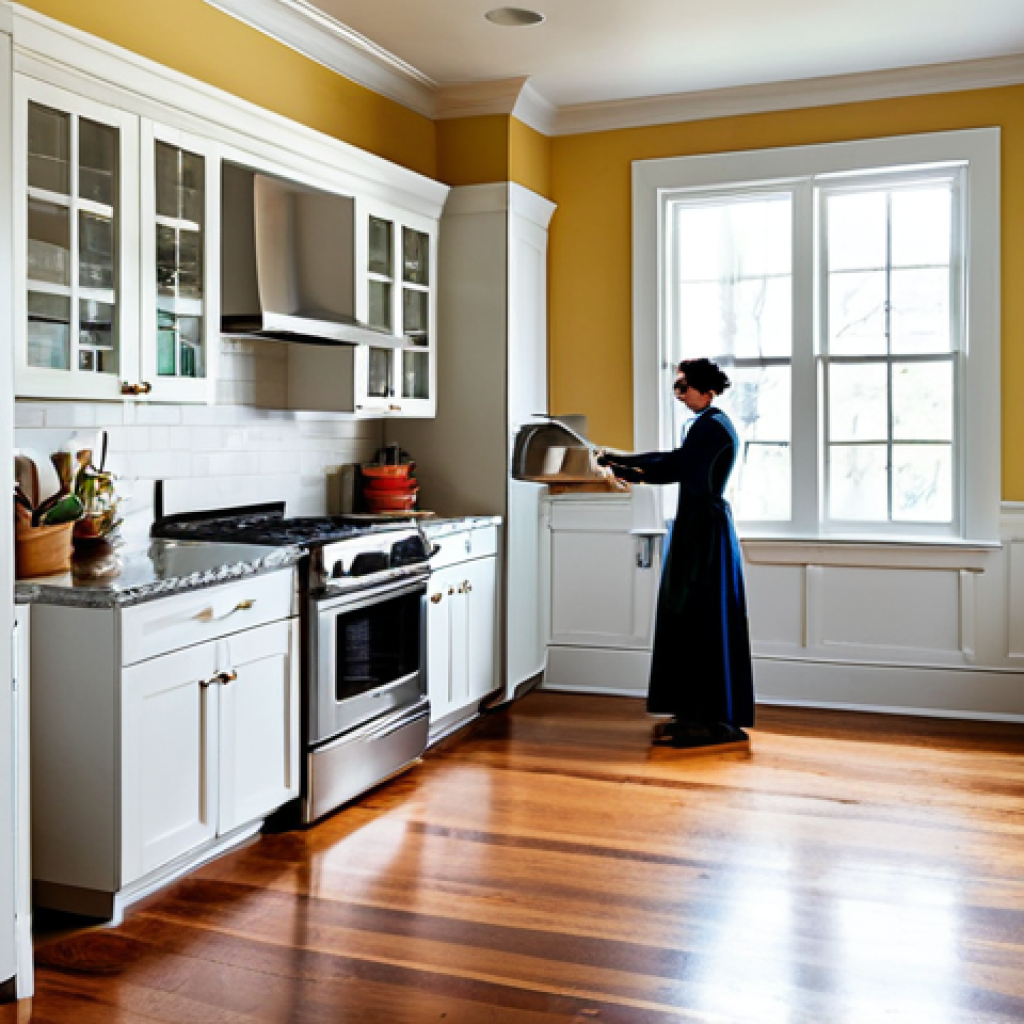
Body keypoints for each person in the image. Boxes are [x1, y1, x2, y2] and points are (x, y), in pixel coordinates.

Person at [597, 358, 754, 748]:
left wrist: (623, 461)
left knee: (698, 617)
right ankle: (692, 713)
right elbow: (677, 466)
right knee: (691, 617)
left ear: (706, 390)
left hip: (703, 532)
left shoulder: (711, 428)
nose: (679, 395)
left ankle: (703, 719)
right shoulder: (707, 425)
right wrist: (627, 466)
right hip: (698, 527)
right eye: (677, 388)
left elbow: (676, 466)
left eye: (684, 388)